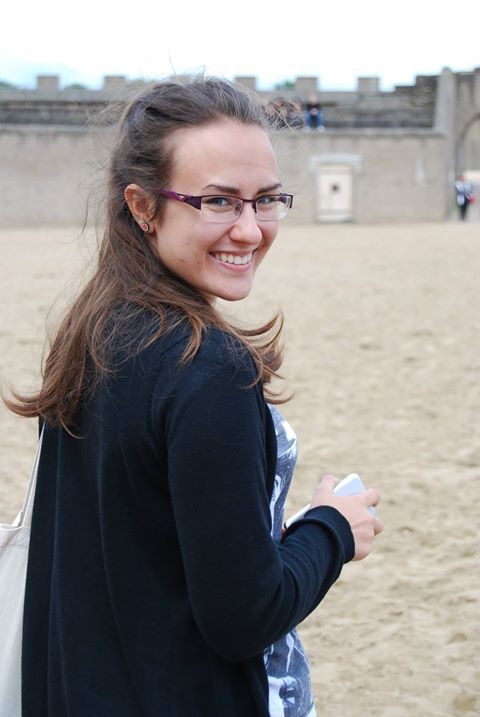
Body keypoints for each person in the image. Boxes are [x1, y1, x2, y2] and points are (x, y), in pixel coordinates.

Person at [7, 76, 382, 717]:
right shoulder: (208, 371)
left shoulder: (94, 329)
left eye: (266, 200)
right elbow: (244, 616)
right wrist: (331, 529)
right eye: (218, 202)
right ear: (143, 206)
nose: (250, 230)